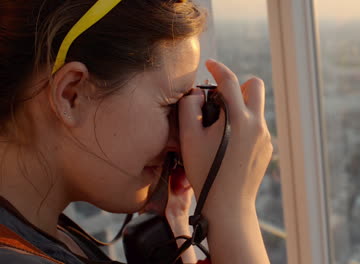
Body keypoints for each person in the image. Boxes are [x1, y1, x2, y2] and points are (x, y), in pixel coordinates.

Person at [0, 0, 273, 263]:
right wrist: (232, 211)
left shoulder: (43, 232)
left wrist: (173, 221)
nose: (180, 143)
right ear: (72, 95)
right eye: (171, 106)